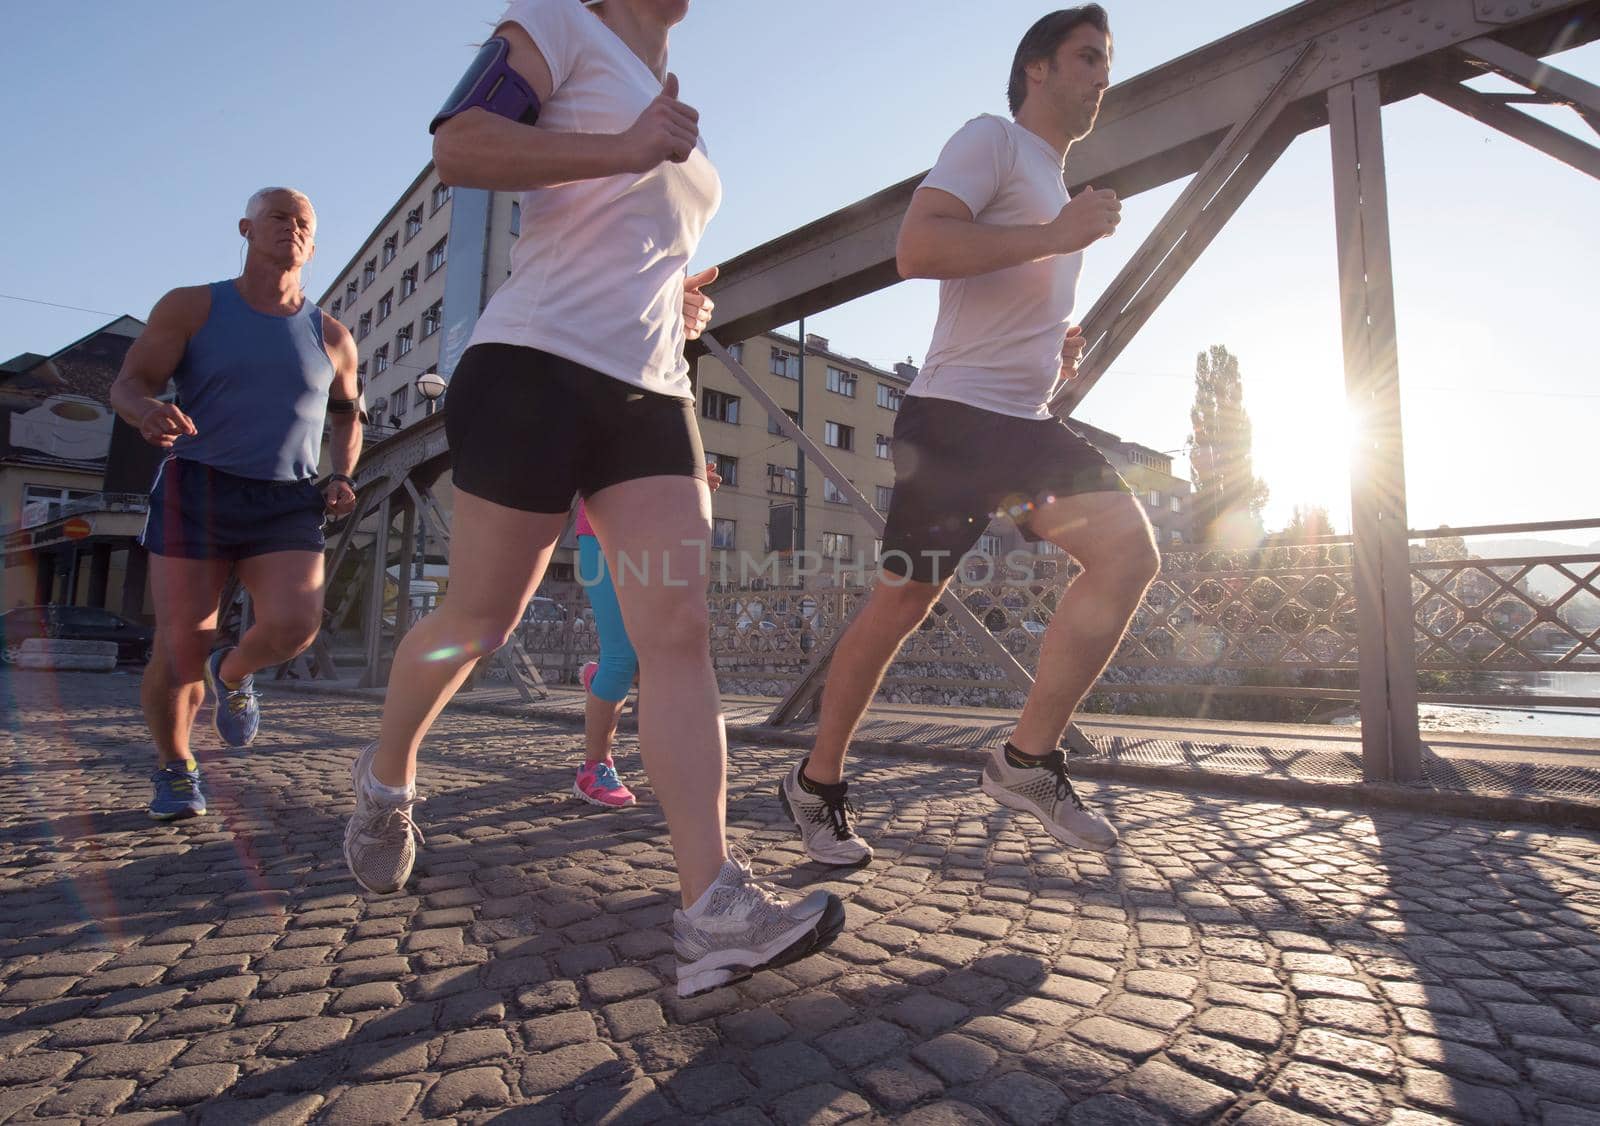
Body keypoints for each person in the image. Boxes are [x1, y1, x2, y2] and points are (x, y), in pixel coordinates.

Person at [342, 0, 844, 998]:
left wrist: (677, 301)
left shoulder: (668, 104)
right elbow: (462, 146)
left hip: (649, 392)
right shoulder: (558, 26)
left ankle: (713, 906)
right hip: (533, 365)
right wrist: (622, 145)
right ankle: (385, 777)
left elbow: (626, 233)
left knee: (677, 628)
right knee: (479, 620)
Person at [780, 6, 1157, 864]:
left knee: (1129, 553)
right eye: (1088, 56)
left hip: (1023, 424)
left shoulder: (1057, 187)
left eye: (1108, 60)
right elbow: (918, 246)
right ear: (1038, 68)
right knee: (902, 603)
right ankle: (817, 781)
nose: (1104, 74)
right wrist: (1053, 238)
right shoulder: (991, 139)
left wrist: (1050, 346)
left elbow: (1002, 282)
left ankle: (1028, 759)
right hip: (952, 422)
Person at [109, 187, 361, 821]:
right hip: (199, 486)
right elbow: (128, 383)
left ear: (314, 240)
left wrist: (342, 472)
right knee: (178, 647)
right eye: (279, 217)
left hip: (286, 499)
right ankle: (175, 767)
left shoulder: (331, 335)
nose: (292, 229)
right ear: (246, 228)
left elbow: (346, 413)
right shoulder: (194, 306)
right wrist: (146, 412)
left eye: (304, 223)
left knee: (294, 627)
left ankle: (235, 671)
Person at [570, 457, 720, 809]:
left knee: (653, 654)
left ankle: (599, 679)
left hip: (657, 539)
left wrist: (691, 483)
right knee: (620, 658)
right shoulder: (605, 408)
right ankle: (594, 768)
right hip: (604, 534)